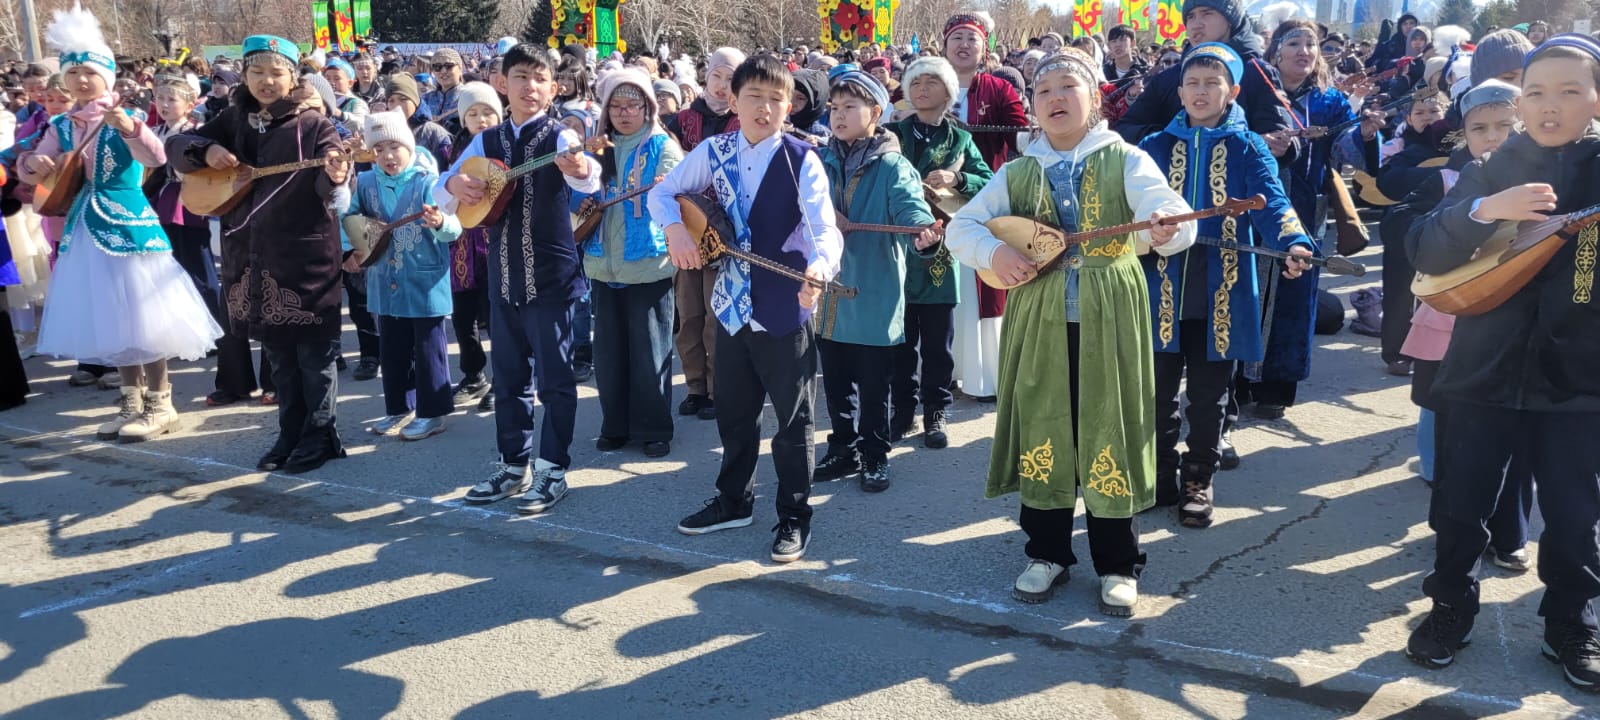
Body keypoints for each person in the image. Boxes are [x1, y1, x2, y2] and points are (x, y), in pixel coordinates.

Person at [944, 49, 1194, 614]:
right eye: (1043, 90)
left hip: (1110, 314)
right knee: (1044, 422)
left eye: (1068, 87)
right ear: (1032, 106)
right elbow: (963, 225)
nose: (1055, 98)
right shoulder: (1017, 171)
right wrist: (994, 252)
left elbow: (1169, 215)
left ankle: (1118, 562)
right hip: (1040, 316)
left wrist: (1166, 229)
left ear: (1095, 99)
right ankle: (1047, 552)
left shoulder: (1125, 159)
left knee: (1112, 425)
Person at [1404, 34, 1600, 690]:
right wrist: (1486, 210)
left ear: (1596, 99)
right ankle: (1450, 607)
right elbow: (1424, 249)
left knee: (1574, 515)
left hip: (1578, 381)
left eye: (1569, 91)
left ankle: (1570, 621)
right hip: (1481, 373)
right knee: (1460, 505)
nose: (1550, 105)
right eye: (1536, 92)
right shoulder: (1494, 167)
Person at [647, 55, 844, 563]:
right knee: (734, 413)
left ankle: (795, 515)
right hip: (731, 305)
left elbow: (824, 229)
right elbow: (663, 193)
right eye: (754, 96)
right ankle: (734, 501)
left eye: (777, 99)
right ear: (733, 101)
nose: (765, 107)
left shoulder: (802, 159)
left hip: (785, 306)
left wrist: (820, 267)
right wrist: (674, 229)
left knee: (793, 421)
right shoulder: (714, 151)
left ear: (790, 107)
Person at [20, 3, 222, 443]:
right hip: (85, 226)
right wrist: (34, 163)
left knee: (144, 314)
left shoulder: (127, 116)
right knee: (111, 317)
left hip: (129, 223)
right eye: (73, 73)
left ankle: (161, 403)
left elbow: (157, 157)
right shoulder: (62, 124)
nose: (81, 81)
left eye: (90, 72)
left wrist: (130, 128)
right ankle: (130, 401)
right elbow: (34, 165)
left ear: (107, 76)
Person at [1136, 43, 1314, 526]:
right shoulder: (1153, 147)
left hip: (1223, 291)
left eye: (1211, 83)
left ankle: (1199, 479)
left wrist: (1294, 241)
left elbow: (1273, 202)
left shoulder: (1248, 146)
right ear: (1179, 92)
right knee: (1156, 394)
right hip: (1161, 289)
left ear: (1232, 91)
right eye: (1192, 83)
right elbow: (1129, 205)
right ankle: (1159, 473)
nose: (1200, 92)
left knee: (1209, 397)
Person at [166, 33, 347, 472]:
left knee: (314, 358)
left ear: (293, 76)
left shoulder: (313, 124)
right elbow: (177, 147)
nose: (267, 80)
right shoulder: (233, 119)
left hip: (304, 260)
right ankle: (290, 432)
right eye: (257, 71)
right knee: (279, 357)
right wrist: (208, 149)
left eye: (277, 72)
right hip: (249, 256)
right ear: (245, 75)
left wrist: (336, 173)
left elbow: (331, 178)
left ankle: (320, 436)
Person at [438, 43, 601, 515]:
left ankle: (552, 469)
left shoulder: (561, 136)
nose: (530, 87)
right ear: (502, 84)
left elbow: (589, 177)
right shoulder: (486, 141)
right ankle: (513, 465)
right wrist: (453, 184)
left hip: (552, 278)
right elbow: (445, 187)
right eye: (520, 77)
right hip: (503, 278)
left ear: (554, 88)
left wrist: (580, 166)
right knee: (508, 379)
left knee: (555, 381)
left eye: (539, 78)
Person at [1399, 80, 1534, 573]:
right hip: (1452, 323)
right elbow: (1417, 238)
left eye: (1505, 125)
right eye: (1480, 128)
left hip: (1518, 329)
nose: (1492, 137)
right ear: (1464, 134)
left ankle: (1510, 533)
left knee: (1515, 437)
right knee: (1453, 431)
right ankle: (1450, 527)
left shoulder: (1546, 181)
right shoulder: (1453, 182)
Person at [811, 69, 940, 492]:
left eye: (850, 106)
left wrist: (921, 232)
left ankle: (874, 453)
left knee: (872, 385)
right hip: (828, 292)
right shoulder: (821, 161)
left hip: (875, 291)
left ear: (876, 112)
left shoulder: (892, 165)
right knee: (835, 382)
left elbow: (910, 208)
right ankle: (842, 447)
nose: (839, 115)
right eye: (834, 107)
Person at [571, 68, 683, 458]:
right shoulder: (597, 147)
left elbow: (679, 194)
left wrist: (669, 187)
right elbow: (574, 193)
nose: (623, 113)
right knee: (609, 353)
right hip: (603, 263)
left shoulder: (662, 146)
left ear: (647, 107)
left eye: (632, 105)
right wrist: (581, 199)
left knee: (650, 350)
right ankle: (614, 425)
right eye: (615, 105)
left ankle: (654, 428)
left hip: (648, 262)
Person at [885, 56, 993, 448]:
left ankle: (935, 411)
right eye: (915, 82)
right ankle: (902, 411)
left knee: (937, 341)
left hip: (941, 249)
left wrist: (957, 177)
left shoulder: (960, 139)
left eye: (931, 82)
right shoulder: (891, 134)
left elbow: (988, 180)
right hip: (897, 245)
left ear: (948, 92)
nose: (922, 89)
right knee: (899, 339)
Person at [339, 111, 461, 441]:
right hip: (383, 279)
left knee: (428, 350)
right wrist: (349, 250)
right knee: (392, 349)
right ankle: (398, 407)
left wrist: (440, 222)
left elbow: (454, 227)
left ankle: (433, 413)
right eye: (379, 149)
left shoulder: (428, 182)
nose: (388, 156)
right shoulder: (366, 182)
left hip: (424, 281)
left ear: (409, 146)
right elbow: (347, 218)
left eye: (395, 147)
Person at [943, 11, 1027, 401]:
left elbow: (1021, 135)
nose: (964, 45)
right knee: (939, 287)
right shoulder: (925, 83)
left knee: (985, 286)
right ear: (944, 45)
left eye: (972, 39)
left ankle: (986, 377)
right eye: (957, 37)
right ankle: (939, 374)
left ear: (984, 47)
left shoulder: (998, 89)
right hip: (930, 205)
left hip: (984, 199)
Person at [664, 47, 746, 421]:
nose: (722, 85)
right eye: (717, 75)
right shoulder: (682, 120)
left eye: (731, 78)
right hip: (686, 228)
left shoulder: (745, 120)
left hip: (724, 231)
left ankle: (717, 387)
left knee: (716, 314)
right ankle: (694, 385)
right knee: (689, 313)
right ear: (706, 75)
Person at [1114, 0, 1292, 144]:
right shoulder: (1168, 78)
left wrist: (1273, 144)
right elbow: (1125, 128)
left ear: (1230, 20)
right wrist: (1170, 140)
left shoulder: (1257, 72)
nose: (1196, 24)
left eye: (1207, 13)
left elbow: (1282, 136)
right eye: (1190, 16)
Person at [446, 81, 500, 413]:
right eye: (473, 114)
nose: (481, 119)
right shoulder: (453, 151)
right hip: (462, 245)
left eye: (488, 112)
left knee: (497, 318)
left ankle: (502, 378)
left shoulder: (505, 148)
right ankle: (473, 373)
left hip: (495, 243)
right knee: (463, 316)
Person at [321, 56, 370, 136]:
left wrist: (341, 115)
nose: (331, 82)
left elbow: (362, 125)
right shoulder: (320, 100)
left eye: (337, 78)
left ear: (350, 83)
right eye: (327, 78)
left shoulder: (357, 103)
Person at [420, 48, 464, 136]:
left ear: (460, 68)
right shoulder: (425, 99)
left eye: (449, 66)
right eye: (437, 67)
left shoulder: (470, 96)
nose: (443, 71)